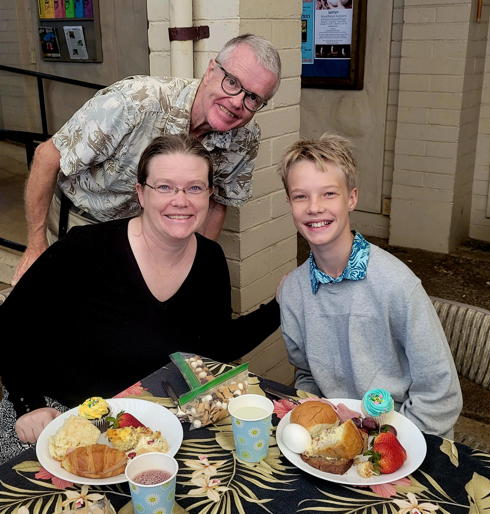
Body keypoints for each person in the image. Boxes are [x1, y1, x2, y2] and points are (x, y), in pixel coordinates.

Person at [0, 134, 280, 463]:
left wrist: (281, 307)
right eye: (164, 187)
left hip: (146, 425)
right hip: (58, 414)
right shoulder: (86, 249)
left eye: (194, 187)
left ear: (208, 195)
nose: (181, 200)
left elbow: (215, 344)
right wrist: (29, 405)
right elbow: (10, 325)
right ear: (141, 193)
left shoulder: (210, 260)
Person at [12, 34, 281, 285]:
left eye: (253, 98)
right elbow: (47, 156)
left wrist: (193, 262)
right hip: (80, 223)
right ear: (211, 70)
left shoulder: (244, 138)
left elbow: (216, 203)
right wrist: (36, 244)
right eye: (232, 82)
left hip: (149, 237)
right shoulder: (135, 101)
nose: (236, 102)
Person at [277, 134, 462, 438]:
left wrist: (392, 444)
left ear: (351, 198)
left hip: (406, 435)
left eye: (328, 194)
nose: (314, 207)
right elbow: (307, 373)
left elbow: (440, 394)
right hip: (337, 435)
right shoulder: (293, 291)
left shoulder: (396, 284)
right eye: (300, 196)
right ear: (289, 204)